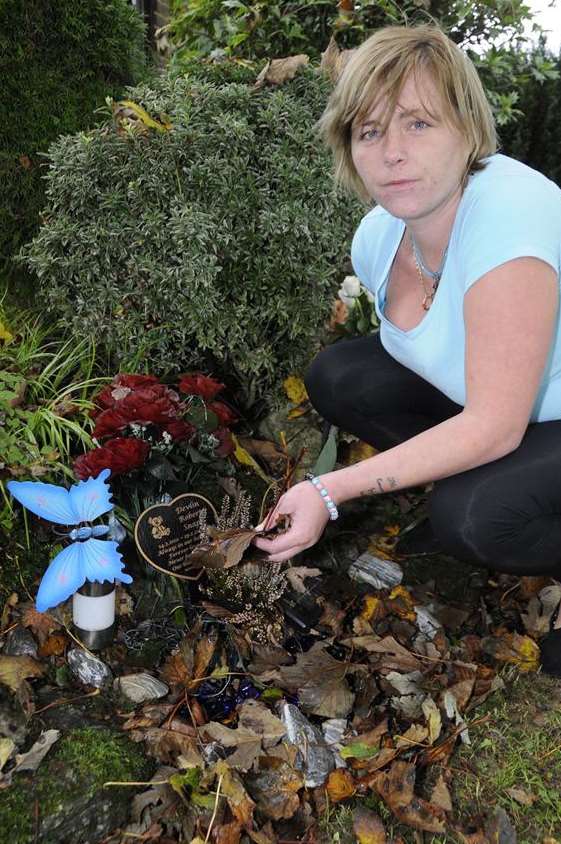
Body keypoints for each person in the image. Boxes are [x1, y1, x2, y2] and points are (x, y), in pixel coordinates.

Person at [253, 24, 561, 676]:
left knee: (474, 518)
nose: (391, 151)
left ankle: (502, 505)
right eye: (368, 131)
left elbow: (495, 423)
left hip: (535, 414)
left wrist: (329, 491)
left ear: (466, 129)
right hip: (513, 405)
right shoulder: (377, 237)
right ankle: (484, 483)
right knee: (340, 376)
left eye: (417, 124)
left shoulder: (512, 219)